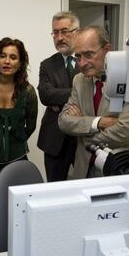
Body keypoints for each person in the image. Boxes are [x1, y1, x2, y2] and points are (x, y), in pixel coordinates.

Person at [58, 26, 129, 179]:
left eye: (88, 54)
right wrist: (98, 122)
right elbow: (63, 121)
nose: (82, 63)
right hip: (83, 170)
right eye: (78, 56)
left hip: (114, 171)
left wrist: (84, 135)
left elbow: (126, 132)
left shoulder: (128, 80)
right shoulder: (79, 80)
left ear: (107, 50)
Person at [37, 11, 79, 182]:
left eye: (65, 31)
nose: (59, 37)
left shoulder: (88, 61)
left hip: (83, 139)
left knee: (87, 187)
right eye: (55, 32)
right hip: (54, 139)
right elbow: (46, 95)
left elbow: (95, 93)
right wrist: (79, 94)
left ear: (77, 31)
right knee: (54, 189)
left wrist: (59, 99)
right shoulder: (47, 64)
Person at [0, 37, 38, 182]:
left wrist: (14, 140)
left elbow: (30, 126)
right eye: (2, 56)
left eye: (13, 57)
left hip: (17, 158)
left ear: (20, 63)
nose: (7, 61)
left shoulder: (28, 91)